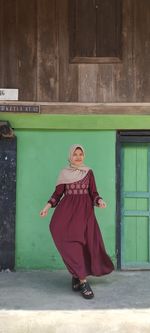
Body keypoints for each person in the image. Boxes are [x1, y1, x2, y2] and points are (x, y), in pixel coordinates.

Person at [40, 144, 114, 299]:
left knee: (84, 246)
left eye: (81, 154)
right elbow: (57, 194)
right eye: (75, 154)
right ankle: (83, 282)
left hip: (85, 215)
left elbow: (93, 192)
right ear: (70, 156)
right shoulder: (64, 174)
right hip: (67, 214)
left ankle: (76, 275)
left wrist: (99, 201)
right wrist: (47, 207)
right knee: (70, 244)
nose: (78, 157)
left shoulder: (88, 172)